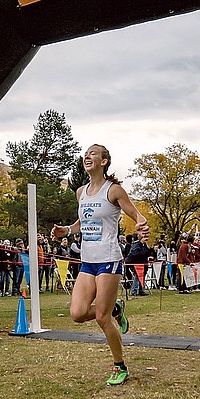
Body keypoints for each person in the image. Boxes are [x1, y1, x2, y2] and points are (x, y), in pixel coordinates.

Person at [51, 144, 148, 385]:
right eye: (86, 154)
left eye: (93, 153)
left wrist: (141, 223)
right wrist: (66, 230)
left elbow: (136, 214)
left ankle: (120, 366)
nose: (87, 156)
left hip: (109, 260)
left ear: (104, 161)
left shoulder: (113, 190)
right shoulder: (80, 191)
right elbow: (82, 223)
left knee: (101, 318)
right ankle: (116, 308)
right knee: (77, 313)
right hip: (88, 261)